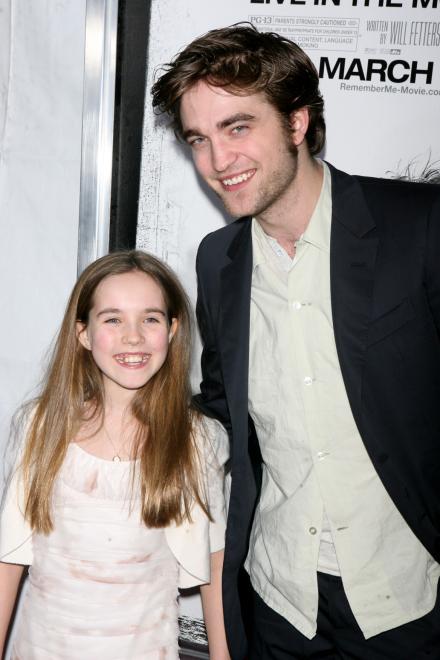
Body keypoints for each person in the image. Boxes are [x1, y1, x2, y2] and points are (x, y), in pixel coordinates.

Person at [152, 23, 440, 660]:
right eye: (199, 139)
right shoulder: (218, 259)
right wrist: (130, 423)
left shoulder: (418, 225)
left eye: (237, 127)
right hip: (281, 601)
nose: (217, 161)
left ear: (297, 122)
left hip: (409, 599)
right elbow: (223, 406)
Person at [0, 250, 230, 659]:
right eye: (113, 319)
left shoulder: (197, 440)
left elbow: (215, 564)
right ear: (83, 334)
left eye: (150, 319)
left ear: (173, 330)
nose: (133, 336)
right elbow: (8, 560)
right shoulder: (39, 427)